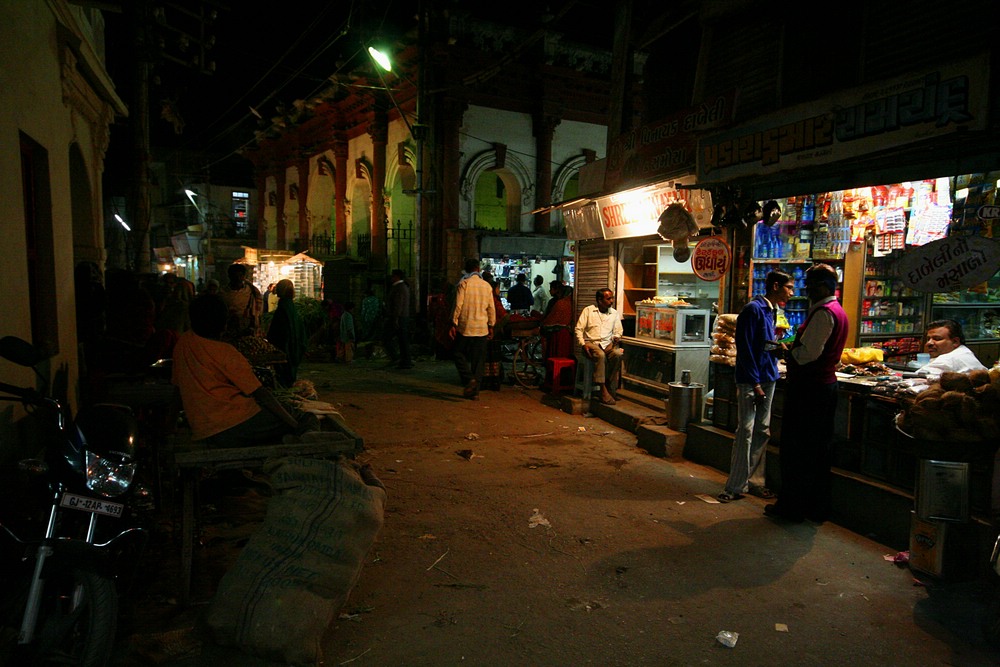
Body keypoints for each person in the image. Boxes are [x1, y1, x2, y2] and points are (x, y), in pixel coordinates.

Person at [764, 263, 848, 524]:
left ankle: (793, 507)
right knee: (816, 451)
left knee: (798, 450)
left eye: (809, 285)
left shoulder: (824, 313)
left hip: (811, 390)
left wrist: (785, 352)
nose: (805, 290)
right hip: (822, 387)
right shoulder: (837, 311)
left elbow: (808, 353)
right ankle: (814, 507)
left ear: (822, 286)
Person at [172, 293, 307, 447]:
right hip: (238, 422)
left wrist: (169, 426)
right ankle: (307, 439)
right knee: (303, 416)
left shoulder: (183, 343)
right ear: (224, 324)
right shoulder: (226, 352)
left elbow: (178, 389)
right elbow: (261, 393)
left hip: (203, 429)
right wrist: (293, 424)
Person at [717, 271, 794, 503]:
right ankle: (734, 486)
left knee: (762, 430)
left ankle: (754, 482)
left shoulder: (773, 310)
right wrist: (756, 384)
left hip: (769, 375)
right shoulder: (753, 310)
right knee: (746, 430)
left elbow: (763, 345)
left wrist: (778, 347)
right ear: (776, 286)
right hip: (752, 379)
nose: (792, 292)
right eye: (789, 287)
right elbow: (746, 350)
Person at [450, 258, 496, 400]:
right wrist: (491, 325)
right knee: (478, 360)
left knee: (457, 353)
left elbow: (458, 305)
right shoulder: (487, 286)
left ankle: (469, 379)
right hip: (481, 328)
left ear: (467, 270)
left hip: (465, 327)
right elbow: (491, 308)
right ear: (478, 269)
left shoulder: (464, 284)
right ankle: (475, 392)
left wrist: (453, 323)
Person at [575, 288, 624, 406]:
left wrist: (616, 337)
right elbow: (578, 329)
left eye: (612, 298)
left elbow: (618, 331)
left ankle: (608, 383)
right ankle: (602, 390)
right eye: (608, 299)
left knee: (618, 354)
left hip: (607, 344)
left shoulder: (614, 313)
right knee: (600, 355)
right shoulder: (588, 311)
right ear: (599, 300)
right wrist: (582, 344)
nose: (611, 301)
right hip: (591, 343)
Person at [266, 279, 308, 387]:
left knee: (284, 378)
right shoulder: (291, 308)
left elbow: (278, 332)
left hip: (285, 349)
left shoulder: (283, 308)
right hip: (293, 348)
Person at [916, 319, 987, 377]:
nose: (928, 343)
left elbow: (916, 378)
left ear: (955, 342)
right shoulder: (964, 352)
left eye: (937, 339)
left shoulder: (947, 360)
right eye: (928, 339)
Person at [220, 262, 263, 339]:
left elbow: (255, 312)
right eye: (235, 276)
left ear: (244, 276)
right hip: (228, 329)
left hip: (246, 329)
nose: (238, 279)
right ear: (230, 276)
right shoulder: (223, 293)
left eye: (240, 276)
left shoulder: (251, 292)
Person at [385, 269, 413, 369]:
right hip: (402, 317)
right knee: (402, 339)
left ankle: (399, 359)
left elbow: (398, 304)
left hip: (399, 317)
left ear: (396, 277)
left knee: (388, 337)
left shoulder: (399, 288)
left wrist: (395, 318)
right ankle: (405, 360)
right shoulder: (403, 287)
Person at [541, 281, 574, 360]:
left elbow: (551, 318)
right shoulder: (569, 302)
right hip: (566, 333)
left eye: (551, 289)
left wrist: (544, 324)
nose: (550, 291)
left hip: (558, 333)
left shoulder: (560, 303)